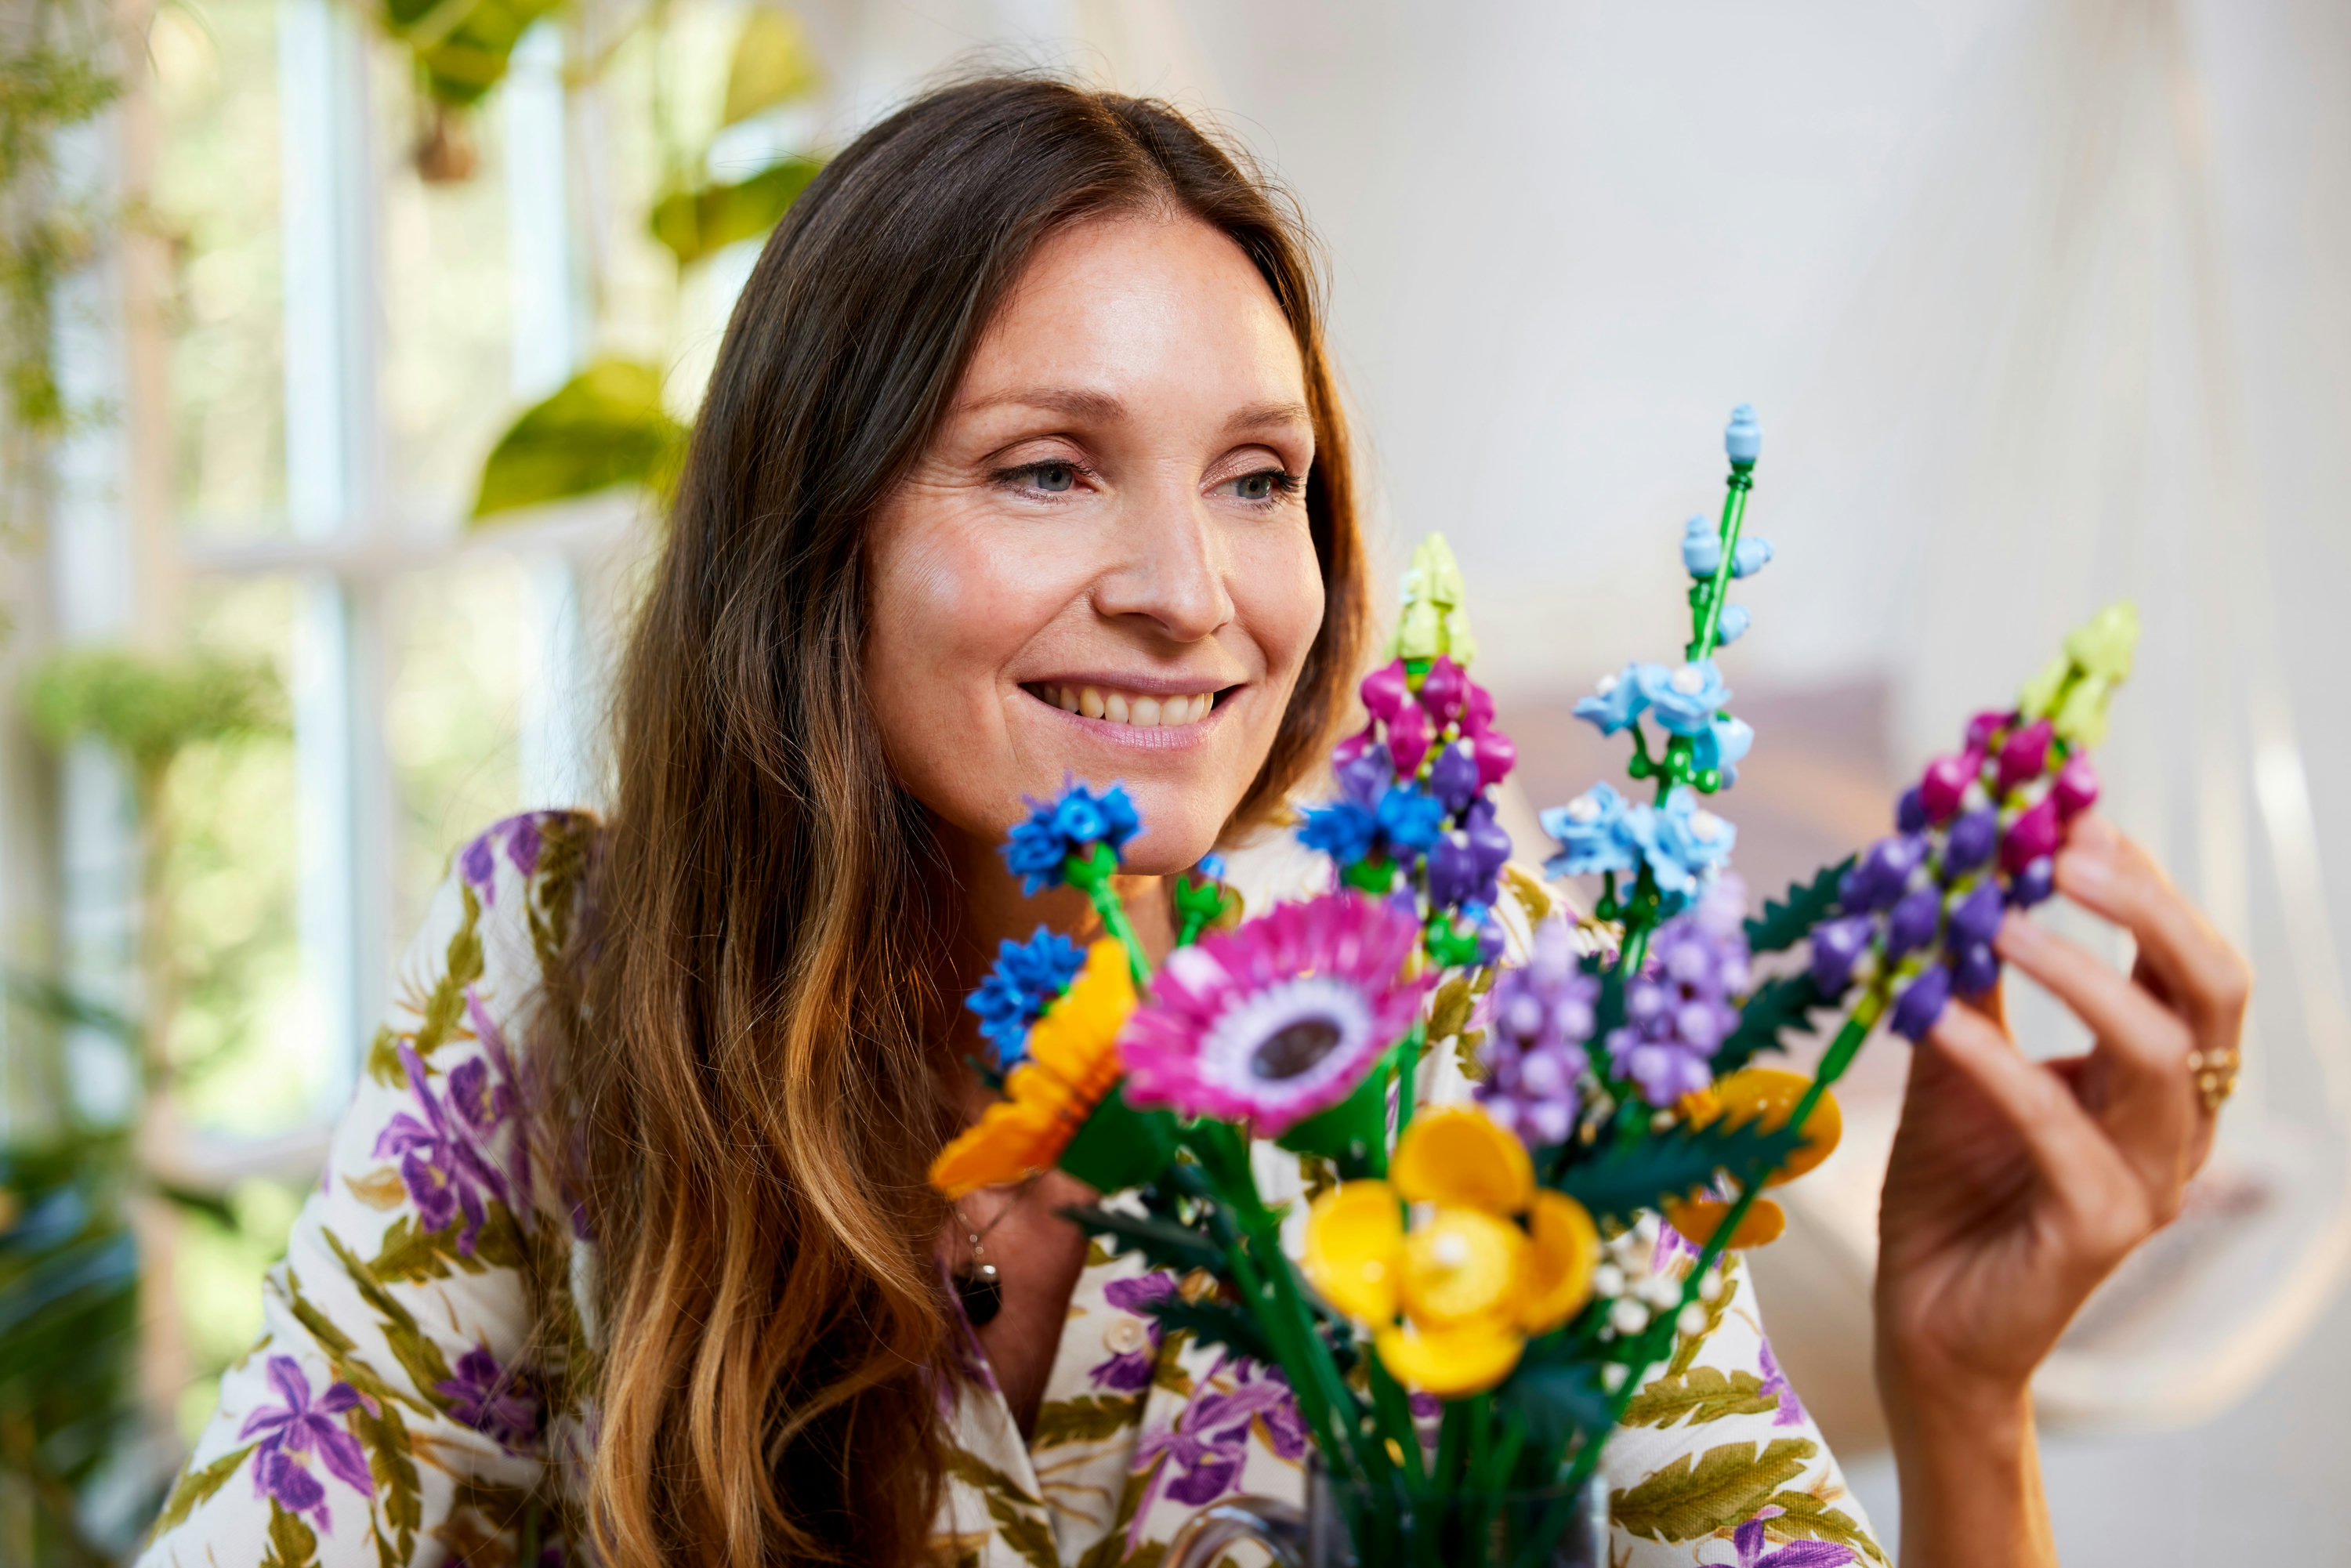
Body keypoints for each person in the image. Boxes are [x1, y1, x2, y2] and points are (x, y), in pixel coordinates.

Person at [139, 77, 2250, 1568]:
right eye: (1048, 467)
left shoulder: (1469, 994)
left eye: (1260, 480)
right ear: (816, 537)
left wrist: (1964, 1397)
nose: (1192, 587)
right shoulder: (563, 972)